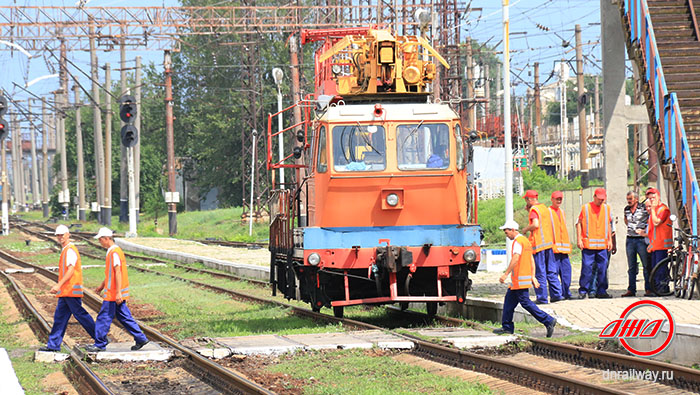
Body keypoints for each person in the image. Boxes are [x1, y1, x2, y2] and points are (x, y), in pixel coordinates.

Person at [85, 228, 149, 352]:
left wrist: (118, 292)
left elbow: (118, 271)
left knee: (103, 318)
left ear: (107, 239)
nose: (100, 242)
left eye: (100, 239)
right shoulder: (114, 251)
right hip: (114, 292)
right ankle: (140, 338)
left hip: (114, 294)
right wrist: (102, 286)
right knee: (124, 316)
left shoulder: (114, 252)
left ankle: (100, 344)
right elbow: (111, 273)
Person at [493, 220, 557, 337]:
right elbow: (531, 260)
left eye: (506, 232)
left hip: (519, 280)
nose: (506, 234)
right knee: (508, 303)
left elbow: (516, 258)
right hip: (519, 281)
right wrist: (532, 276)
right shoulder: (525, 241)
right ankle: (507, 327)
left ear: (513, 230)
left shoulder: (518, 242)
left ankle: (548, 320)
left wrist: (506, 274)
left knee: (526, 303)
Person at [38, 225, 96, 352]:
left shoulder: (70, 250)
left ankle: (100, 338)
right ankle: (53, 345)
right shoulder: (66, 250)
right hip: (66, 292)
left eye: (62, 235)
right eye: (58, 235)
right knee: (60, 317)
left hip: (71, 290)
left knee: (81, 316)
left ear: (68, 234)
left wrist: (58, 285)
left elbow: (70, 270)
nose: (60, 237)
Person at [522, 190, 562, 304]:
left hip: (539, 246)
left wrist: (525, 229)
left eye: (526, 199)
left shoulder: (534, 210)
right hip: (548, 244)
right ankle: (557, 295)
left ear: (529, 199)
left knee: (540, 273)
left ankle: (542, 298)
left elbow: (535, 224)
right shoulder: (544, 208)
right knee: (551, 271)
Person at [576, 188, 613, 299]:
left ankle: (601, 291)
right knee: (587, 268)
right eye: (599, 199)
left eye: (603, 199)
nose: (601, 201)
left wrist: (610, 240)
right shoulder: (586, 208)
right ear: (594, 196)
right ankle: (583, 291)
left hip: (602, 245)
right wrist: (579, 239)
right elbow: (578, 224)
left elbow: (609, 225)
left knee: (603, 269)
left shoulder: (607, 209)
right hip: (588, 245)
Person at [622, 191, 652, 297]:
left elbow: (650, 218)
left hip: (641, 240)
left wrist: (644, 230)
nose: (629, 201)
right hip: (630, 239)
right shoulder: (626, 209)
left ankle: (648, 288)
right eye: (628, 199)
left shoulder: (643, 208)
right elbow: (626, 220)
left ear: (636, 199)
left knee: (646, 265)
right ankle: (631, 289)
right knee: (632, 266)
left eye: (630, 199)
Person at [645, 187, 673, 295]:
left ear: (658, 197)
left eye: (653, 197)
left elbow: (657, 223)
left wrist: (652, 209)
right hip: (656, 245)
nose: (652, 200)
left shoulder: (663, 209)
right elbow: (652, 230)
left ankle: (662, 288)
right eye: (649, 198)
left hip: (662, 245)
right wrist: (651, 244)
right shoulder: (656, 210)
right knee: (655, 269)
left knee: (660, 269)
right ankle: (657, 289)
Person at [548, 191, 572, 299]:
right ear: (552, 199)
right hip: (553, 249)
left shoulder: (562, 212)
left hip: (564, 249)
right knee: (553, 273)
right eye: (557, 199)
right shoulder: (548, 212)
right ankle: (556, 295)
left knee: (566, 273)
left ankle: (566, 293)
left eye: (560, 199)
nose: (559, 201)